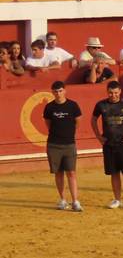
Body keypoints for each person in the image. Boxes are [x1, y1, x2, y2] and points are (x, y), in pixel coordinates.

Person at [91, 80, 123, 210]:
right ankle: (117, 200)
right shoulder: (101, 105)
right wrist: (98, 136)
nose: (113, 95)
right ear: (107, 92)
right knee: (114, 173)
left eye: (115, 92)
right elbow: (93, 120)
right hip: (109, 143)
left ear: (120, 91)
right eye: (110, 93)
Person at [43, 81, 84, 211]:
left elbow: (78, 122)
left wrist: (68, 133)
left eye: (60, 91)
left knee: (71, 172)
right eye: (55, 91)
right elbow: (48, 124)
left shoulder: (73, 105)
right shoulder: (49, 107)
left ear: (65, 91)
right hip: (54, 144)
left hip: (69, 144)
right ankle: (62, 199)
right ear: (52, 92)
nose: (58, 93)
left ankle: (75, 201)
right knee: (58, 173)